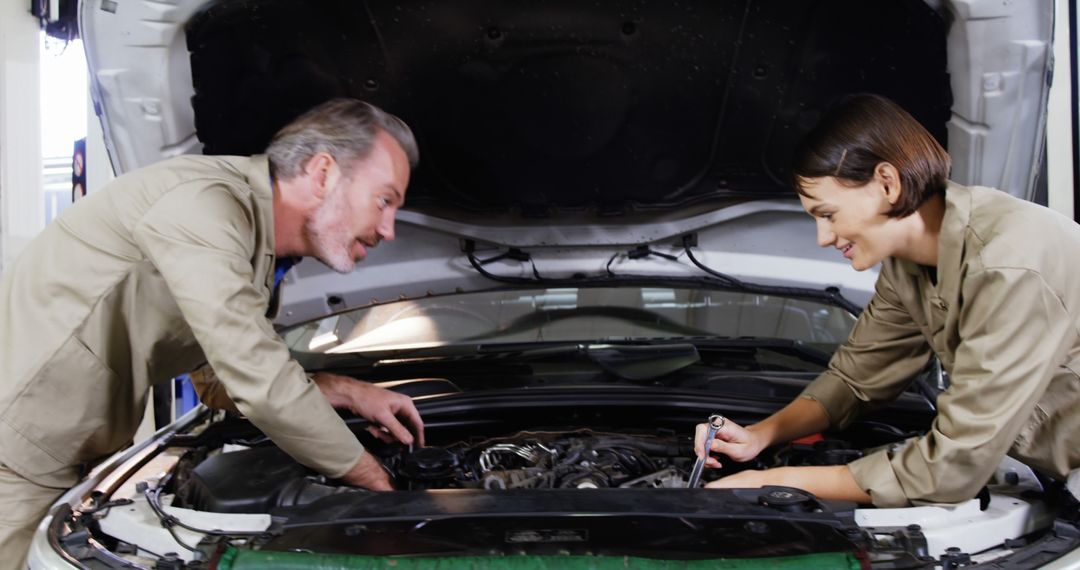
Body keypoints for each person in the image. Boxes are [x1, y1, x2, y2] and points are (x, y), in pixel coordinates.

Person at [0, 98, 425, 565]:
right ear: (323, 172)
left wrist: (340, 388)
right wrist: (374, 478)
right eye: (384, 200)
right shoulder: (205, 206)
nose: (389, 230)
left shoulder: (258, 252)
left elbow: (215, 378)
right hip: (17, 450)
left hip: (67, 448)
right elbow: (255, 376)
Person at [694, 94, 1080, 507]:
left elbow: (951, 467)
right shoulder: (907, 265)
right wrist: (759, 436)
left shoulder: (1009, 265)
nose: (823, 238)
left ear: (886, 183)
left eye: (827, 214)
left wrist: (776, 481)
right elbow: (856, 379)